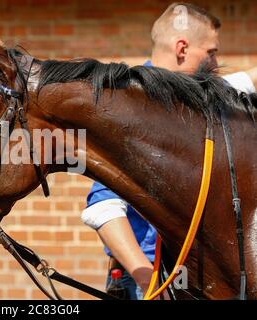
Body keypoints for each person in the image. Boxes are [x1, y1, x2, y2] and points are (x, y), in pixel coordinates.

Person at [81, 2, 256, 300]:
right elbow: (103, 208)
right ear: (182, 48)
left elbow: (248, 80)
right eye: (211, 52)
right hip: (149, 279)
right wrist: (146, 278)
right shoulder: (134, 108)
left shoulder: (189, 95)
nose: (216, 62)